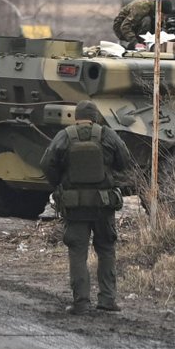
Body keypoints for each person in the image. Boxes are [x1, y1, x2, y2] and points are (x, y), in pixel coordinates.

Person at [40, 101, 131, 315]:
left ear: (76, 117)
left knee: (77, 253)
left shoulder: (65, 136)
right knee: (106, 250)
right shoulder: (106, 134)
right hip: (103, 204)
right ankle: (107, 299)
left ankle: (81, 302)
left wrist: (60, 185)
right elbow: (125, 160)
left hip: (75, 205)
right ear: (96, 117)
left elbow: (47, 163)